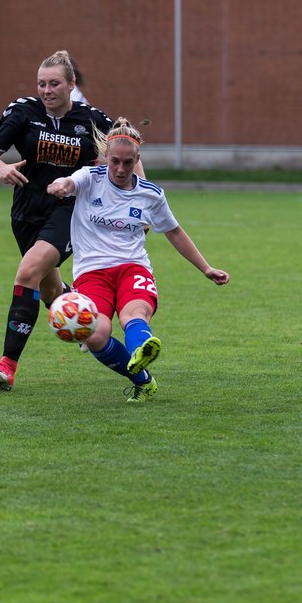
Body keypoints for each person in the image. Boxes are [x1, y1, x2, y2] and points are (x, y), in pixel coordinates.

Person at [0, 49, 138, 391]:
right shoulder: (22, 111)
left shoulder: (91, 118)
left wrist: (137, 200)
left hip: (69, 212)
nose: (46, 90)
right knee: (49, 287)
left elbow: (127, 151)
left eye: (53, 84)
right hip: (25, 211)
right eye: (41, 84)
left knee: (27, 272)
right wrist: (1, 167)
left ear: (71, 85)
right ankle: (82, 314)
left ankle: (8, 365)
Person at [47, 118, 229, 402]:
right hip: (92, 273)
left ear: (138, 160)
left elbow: (174, 231)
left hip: (133, 268)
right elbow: (70, 181)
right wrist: (61, 184)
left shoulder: (151, 195)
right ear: (105, 156)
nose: (120, 169)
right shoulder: (89, 178)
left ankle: (143, 348)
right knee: (96, 334)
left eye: (128, 163)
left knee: (133, 315)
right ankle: (142, 378)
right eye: (115, 161)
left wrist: (205, 267)